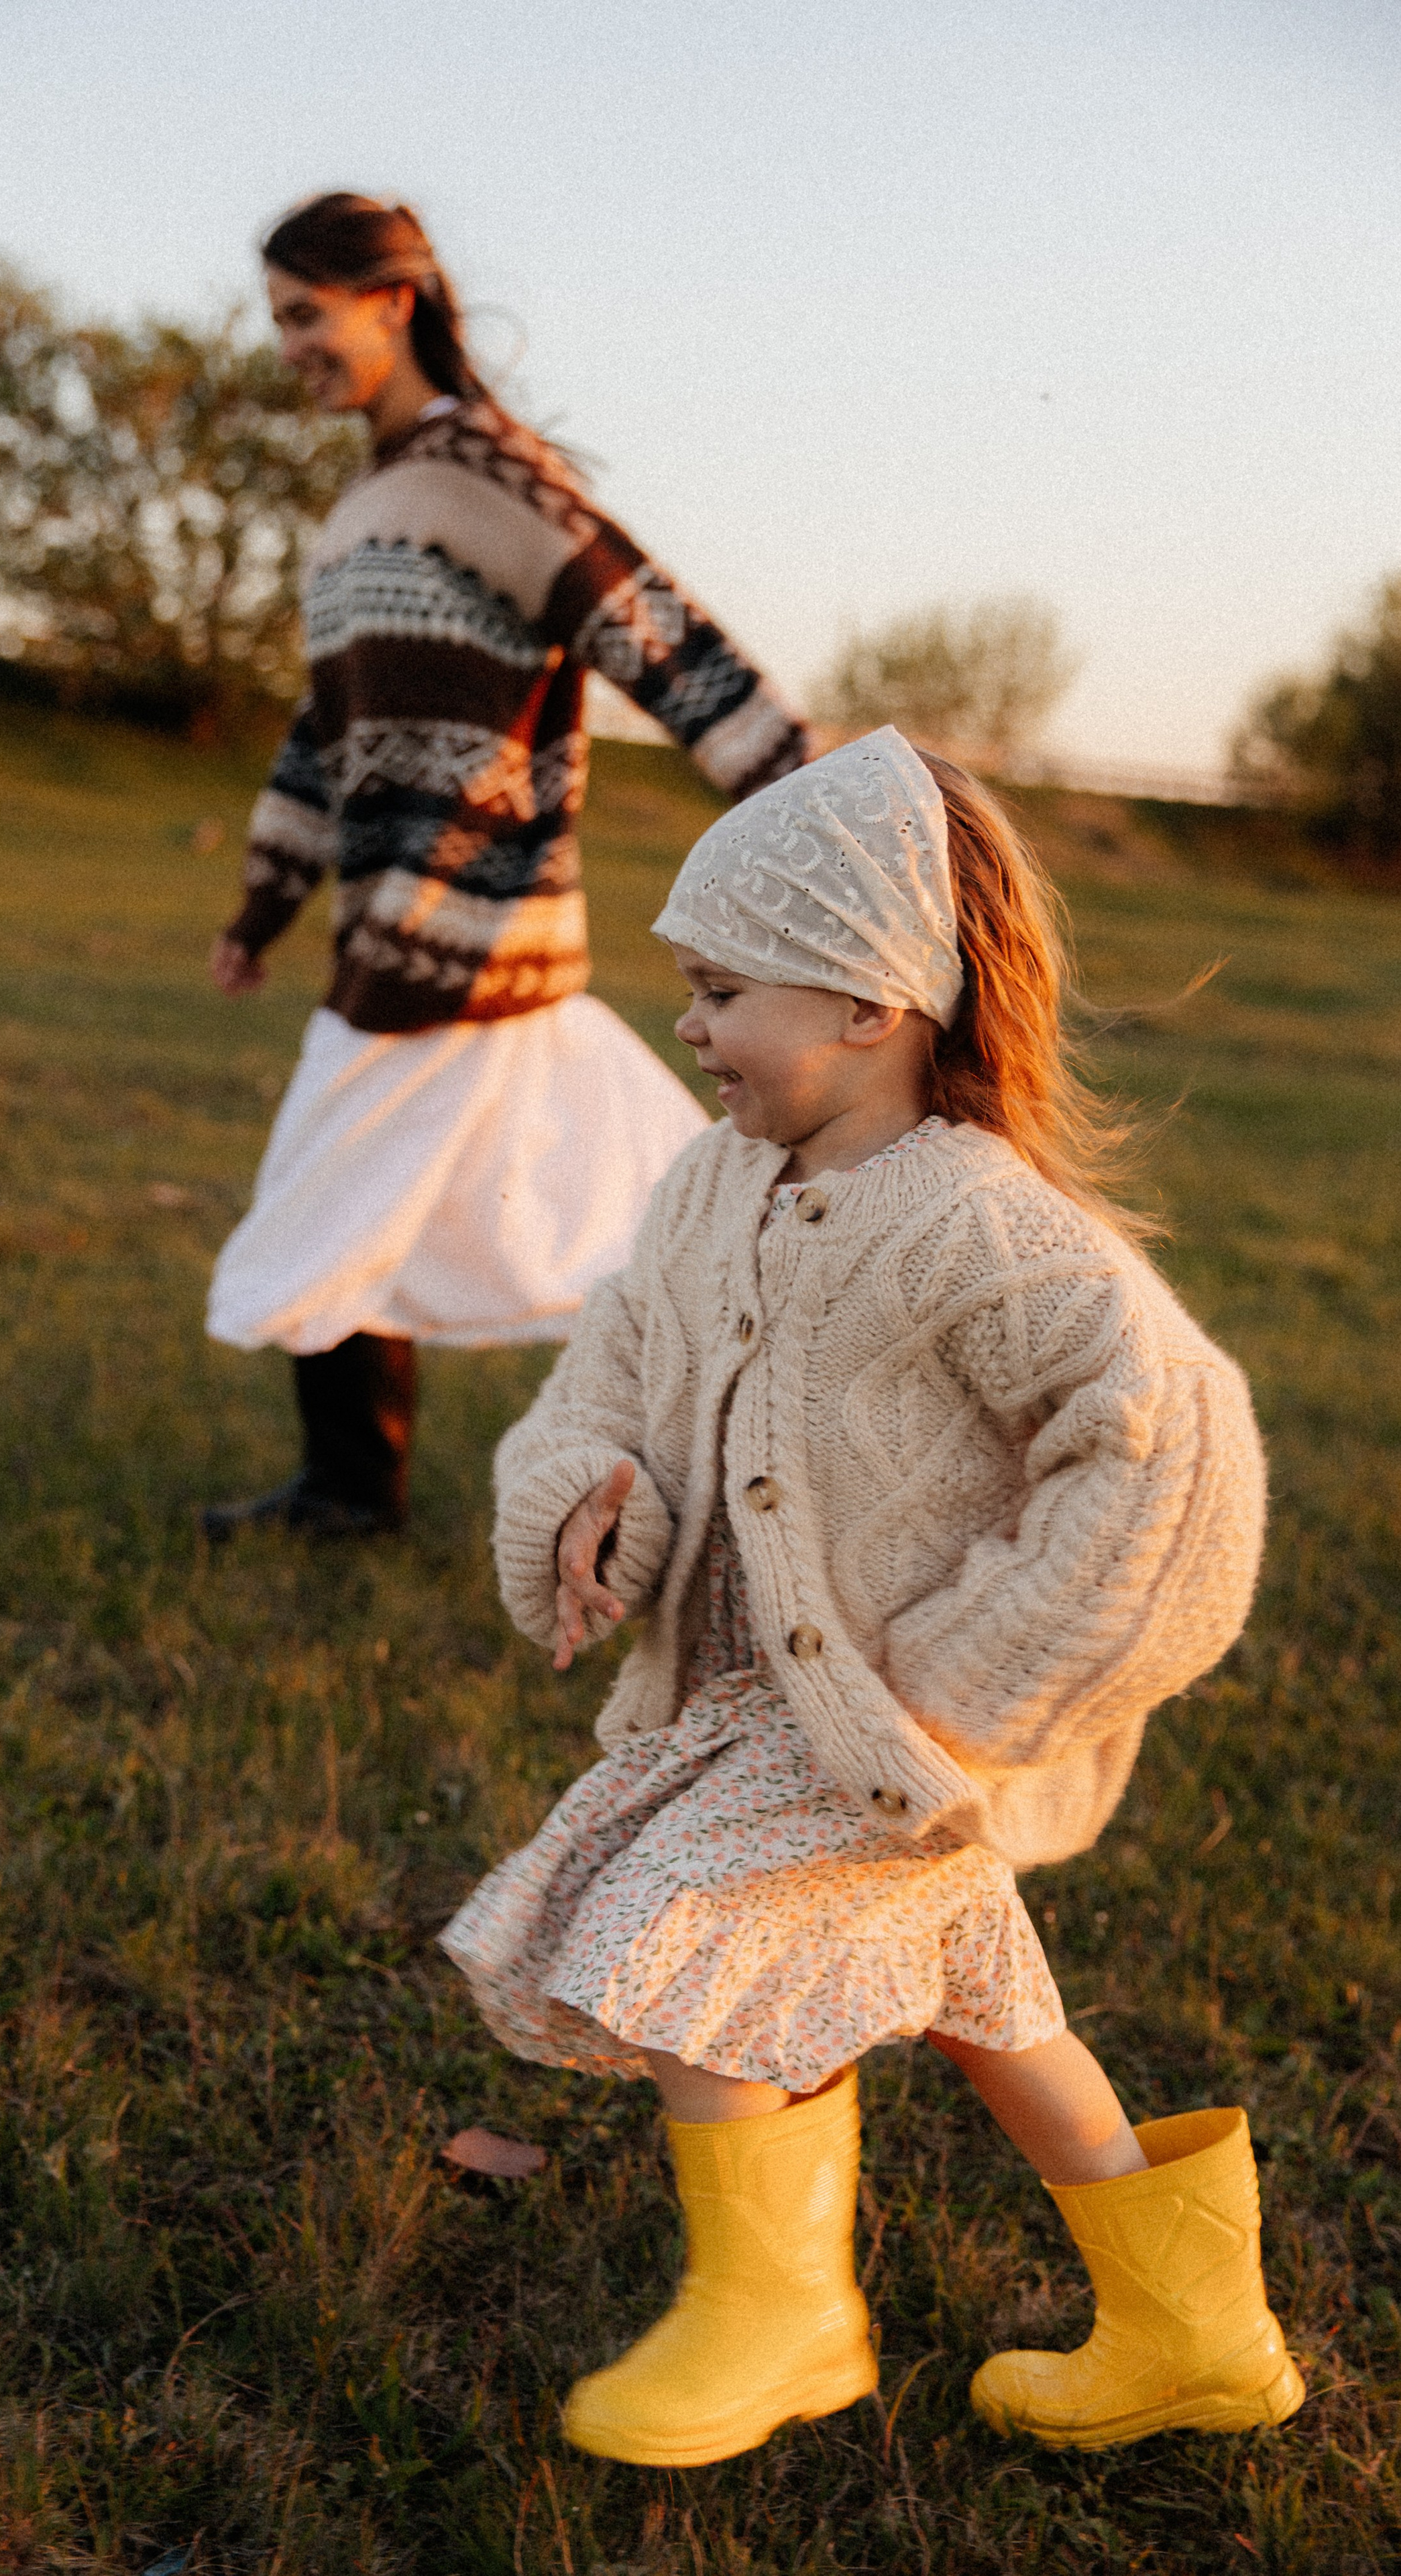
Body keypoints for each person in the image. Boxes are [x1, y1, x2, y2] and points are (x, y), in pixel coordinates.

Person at [442, 728, 1304, 2465]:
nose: (688, 1027)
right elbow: (609, 1373)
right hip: (755, 1699)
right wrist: (589, 1497)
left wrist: (969, 1678)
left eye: (721, 989)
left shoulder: (985, 1228)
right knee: (994, 2013)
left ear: (869, 1003)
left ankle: (781, 2314)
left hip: (892, 1718)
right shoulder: (707, 1185)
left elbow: (1173, 1452)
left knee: (680, 1933)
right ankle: (1195, 2328)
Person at [202, 193, 809, 1537]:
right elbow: (326, 735)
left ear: (393, 301)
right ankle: (760, 1429)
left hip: (465, 928)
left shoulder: (482, 473)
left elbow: (656, 635)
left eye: (306, 314)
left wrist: (818, 801)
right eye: (277, 320)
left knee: (327, 1194)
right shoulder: (362, 505)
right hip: (406, 927)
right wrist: (264, 902)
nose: (289, 344)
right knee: (650, 1217)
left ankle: (355, 1495)